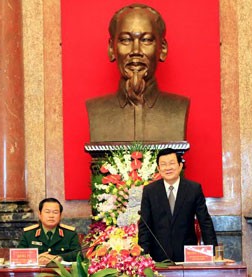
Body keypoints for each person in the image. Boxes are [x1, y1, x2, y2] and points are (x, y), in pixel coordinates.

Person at [86, 4, 189, 142]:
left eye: (146, 40)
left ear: (162, 49)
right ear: (111, 48)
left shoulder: (178, 108)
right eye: (126, 40)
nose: (135, 51)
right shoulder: (97, 110)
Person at [138, 148, 218, 262]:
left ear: (180, 166)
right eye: (163, 164)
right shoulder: (150, 191)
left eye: (172, 163)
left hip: (187, 256)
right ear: (158, 169)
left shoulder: (193, 189)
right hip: (158, 258)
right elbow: (144, 227)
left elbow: (205, 222)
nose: (168, 168)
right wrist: (143, 257)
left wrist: (214, 253)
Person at [18, 198, 81, 265]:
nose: (51, 216)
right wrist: (35, 259)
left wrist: (59, 257)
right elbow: (18, 255)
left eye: (55, 212)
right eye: (47, 212)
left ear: (60, 215)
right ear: (40, 214)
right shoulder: (28, 234)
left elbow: (78, 254)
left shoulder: (70, 234)